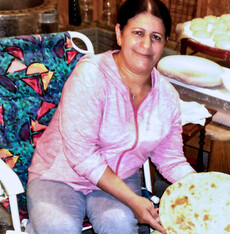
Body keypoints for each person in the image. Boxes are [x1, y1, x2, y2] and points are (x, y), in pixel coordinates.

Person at [26, 0, 195, 233]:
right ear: (119, 33)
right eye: (138, 33)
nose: (146, 45)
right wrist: (133, 200)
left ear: (165, 43)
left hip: (120, 177)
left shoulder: (166, 97)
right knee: (59, 228)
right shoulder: (92, 75)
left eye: (156, 37)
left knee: (121, 226)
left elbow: (171, 159)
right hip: (60, 176)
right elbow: (82, 156)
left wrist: (205, 186)